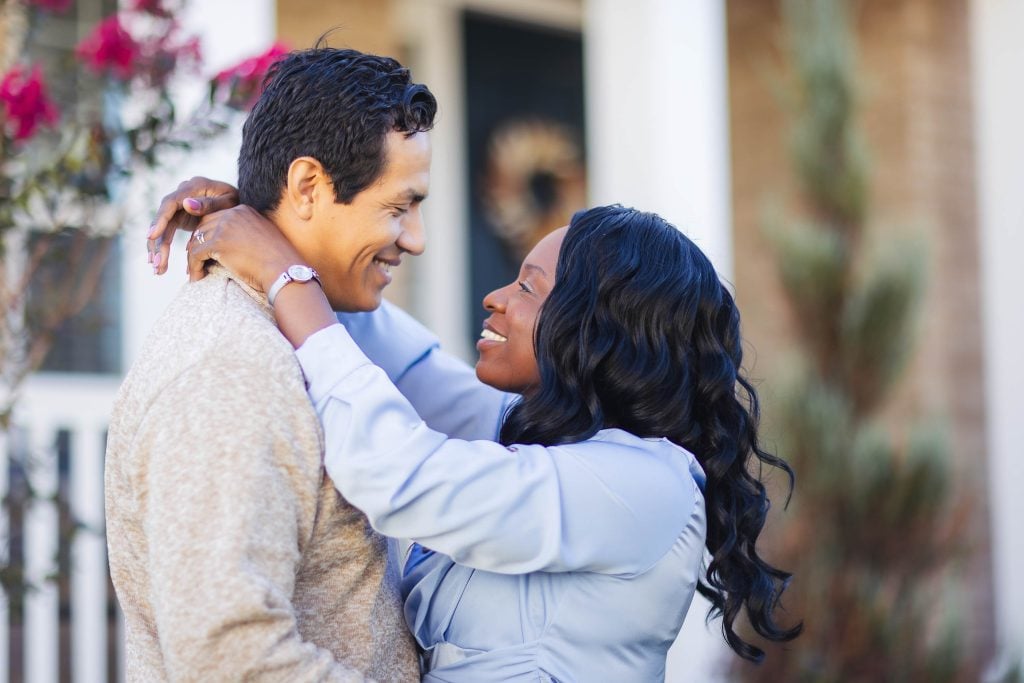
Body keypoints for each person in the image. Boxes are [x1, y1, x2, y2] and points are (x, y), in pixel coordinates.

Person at [151, 191, 802, 679]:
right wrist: (273, 219)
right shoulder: (540, 445)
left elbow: (398, 471)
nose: (495, 296)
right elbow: (404, 363)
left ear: (598, 331)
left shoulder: (644, 486)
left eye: (528, 286)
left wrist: (282, 274)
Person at [105, 46, 438, 681]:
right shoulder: (233, 371)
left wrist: (269, 235)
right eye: (399, 208)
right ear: (309, 186)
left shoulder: (283, 330)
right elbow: (229, 657)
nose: (416, 238)